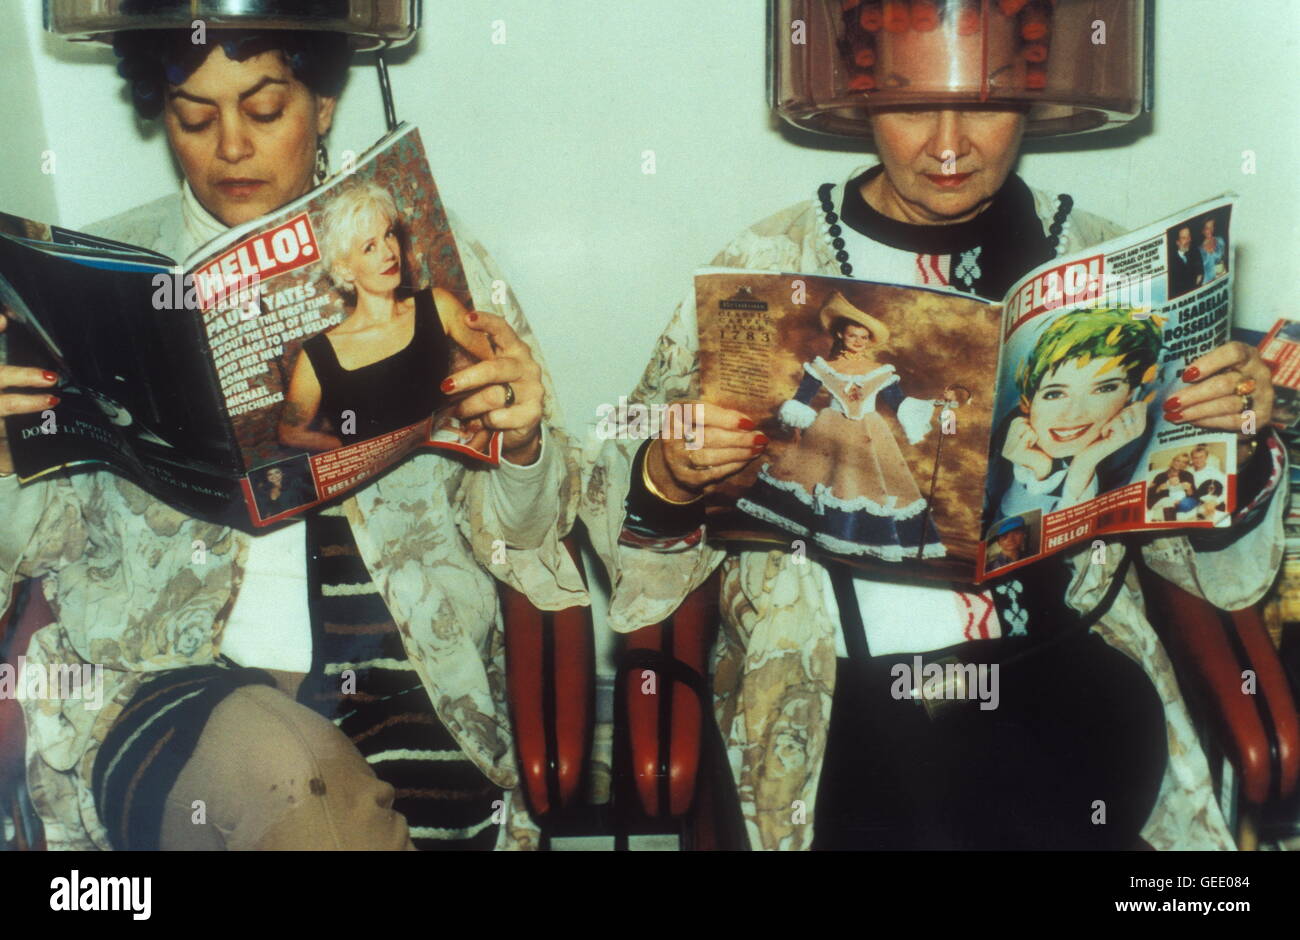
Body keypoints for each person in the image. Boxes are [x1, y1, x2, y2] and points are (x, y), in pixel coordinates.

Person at [582, 0, 1285, 850]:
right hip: (851, 693)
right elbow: (631, 534)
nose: (949, 145)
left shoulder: (1102, 261)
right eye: (915, 104)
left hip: (1063, 676)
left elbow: (1209, 573)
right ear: (861, 92)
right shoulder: (768, 265)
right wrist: (668, 473)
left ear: (1034, 89)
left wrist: (1234, 440)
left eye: (986, 102)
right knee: (926, 800)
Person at [0, 21, 586, 850]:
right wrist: (3, 451)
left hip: (406, 689)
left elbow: (528, 539)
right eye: (193, 118)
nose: (231, 147)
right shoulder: (94, 282)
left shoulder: (429, 264)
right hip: (173, 696)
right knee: (295, 783)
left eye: (265, 110)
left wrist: (523, 447)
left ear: (324, 102)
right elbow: (27, 552)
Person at [279, 180, 494, 451]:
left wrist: (483, 419)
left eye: (389, 234)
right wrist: (358, 452)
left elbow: (497, 360)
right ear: (345, 269)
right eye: (370, 247)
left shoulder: (438, 306)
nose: (389, 253)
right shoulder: (318, 355)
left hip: (448, 458)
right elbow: (290, 433)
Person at [736, 291, 944, 560]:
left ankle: (859, 535)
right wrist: (801, 426)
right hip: (829, 431)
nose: (858, 341)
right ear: (840, 335)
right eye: (852, 335)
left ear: (869, 341)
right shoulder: (823, 368)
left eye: (863, 337)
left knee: (869, 483)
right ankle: (822, 530)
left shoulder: (881, 372)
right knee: (821, 479)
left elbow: (899, 404)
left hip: (869, 433)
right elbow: (800, 401)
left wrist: (938, 404)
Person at [992, 306, 1161, 520]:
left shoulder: (1130, 448)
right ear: (1028, 402)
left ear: (1131, 394)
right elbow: (1004, 544)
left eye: (1103, 389)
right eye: (1055, 394)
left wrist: (1083, 468)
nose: (1073, 414)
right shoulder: (1006, 439)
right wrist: (1038, 471)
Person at [1146, 453, 1198, 522]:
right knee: (1168, 501)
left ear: (1186, 465)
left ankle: (1161, 517)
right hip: (1162, 501)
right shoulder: (1160, 476)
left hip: (1179, 502)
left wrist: (1189, 489)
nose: (1180, 464)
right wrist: (1159, 488)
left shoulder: (1188, 475)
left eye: (1184, 462)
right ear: (1173, 461)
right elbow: (1150, 494)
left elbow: (1194, 495)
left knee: (1184, 504)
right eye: (1178, 460)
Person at [1168, 225, 1203, 298]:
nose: (1188, 240)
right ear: (1177, 242)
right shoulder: (1170, 262)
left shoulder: (1195, 252)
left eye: (1189, 236)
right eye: (1184, 238)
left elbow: (1200, 275)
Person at [1200, 217, 1228, 284]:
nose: (1210, 230)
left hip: (1221, 279)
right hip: (1207, 283)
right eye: (1207, 228)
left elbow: (1225, 259)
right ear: (1202, 230)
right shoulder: (1199, 250)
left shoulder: (1220, 240)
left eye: (1212, 227)